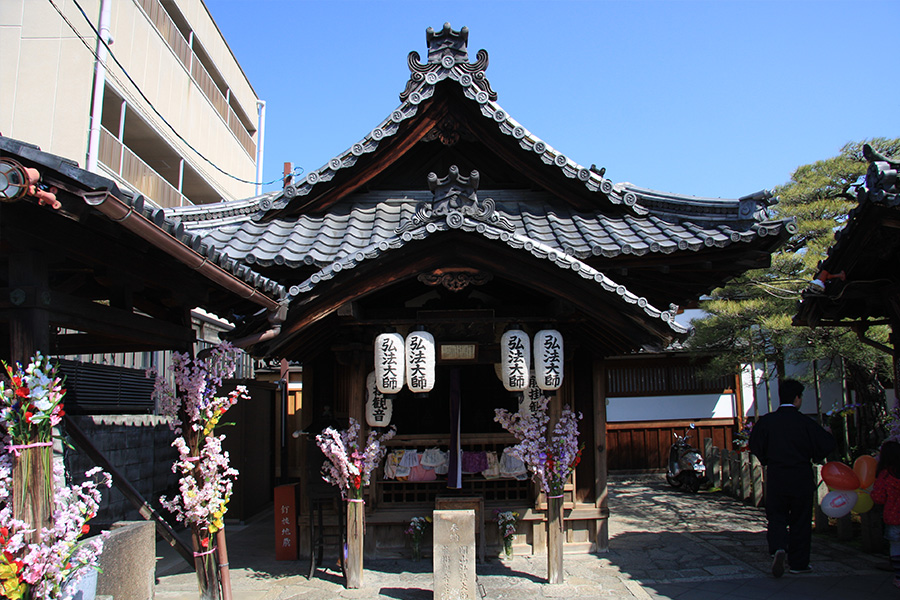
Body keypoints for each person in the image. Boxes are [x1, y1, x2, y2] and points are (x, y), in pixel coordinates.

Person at [748, 378, 835, 578]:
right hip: (800, 475)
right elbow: (826, 444)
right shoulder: (805, 422)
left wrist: (766, 459)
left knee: (777, 516)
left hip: (777, 475)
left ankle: (778, 548)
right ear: (797, 398)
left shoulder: (767, 421)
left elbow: (755, 444)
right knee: (800, 520)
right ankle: (799, 563)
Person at [871, 440, 900, 589]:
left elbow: (879, 497)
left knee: (895, 547)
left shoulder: (885, 475)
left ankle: (898, 576)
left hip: (894, 516)